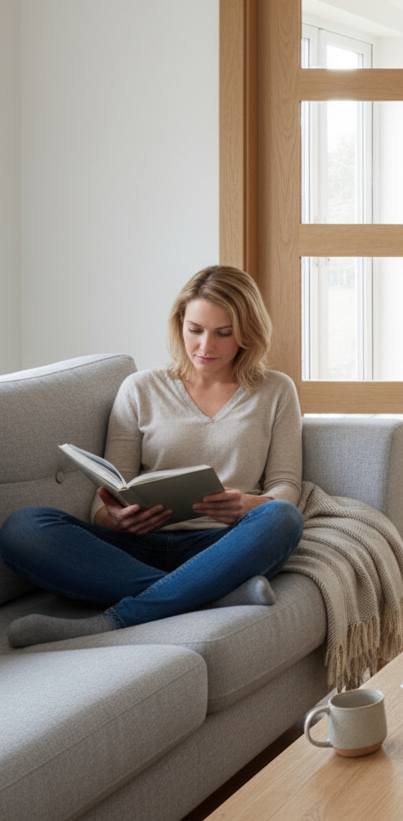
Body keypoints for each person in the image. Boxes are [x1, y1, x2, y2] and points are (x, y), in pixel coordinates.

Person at [0, 265, 305, 648]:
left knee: (283, 517)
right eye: (195, 330)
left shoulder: (275, 391)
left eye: (223, 333)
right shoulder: (140, 388)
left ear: (247, 333)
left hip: (222, 545)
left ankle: (121, 617)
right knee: (23, 527)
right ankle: (211, 596)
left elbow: (285, 485)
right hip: (137, 546)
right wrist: (115, 519)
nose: (205, 347)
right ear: (180, 324)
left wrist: (248, 505)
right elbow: (111, 487)